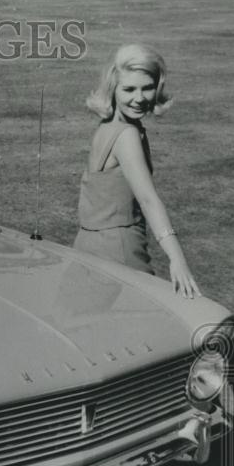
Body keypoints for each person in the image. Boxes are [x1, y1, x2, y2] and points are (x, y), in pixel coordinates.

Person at [73, 44, 201, 298]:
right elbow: (148, 200)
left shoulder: (107, 126)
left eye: (147, 88)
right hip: (120, 249)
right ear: (113, 89)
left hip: (85, 244)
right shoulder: (127, 135)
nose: (139, 98)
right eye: (129, 89)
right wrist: (177, 259)